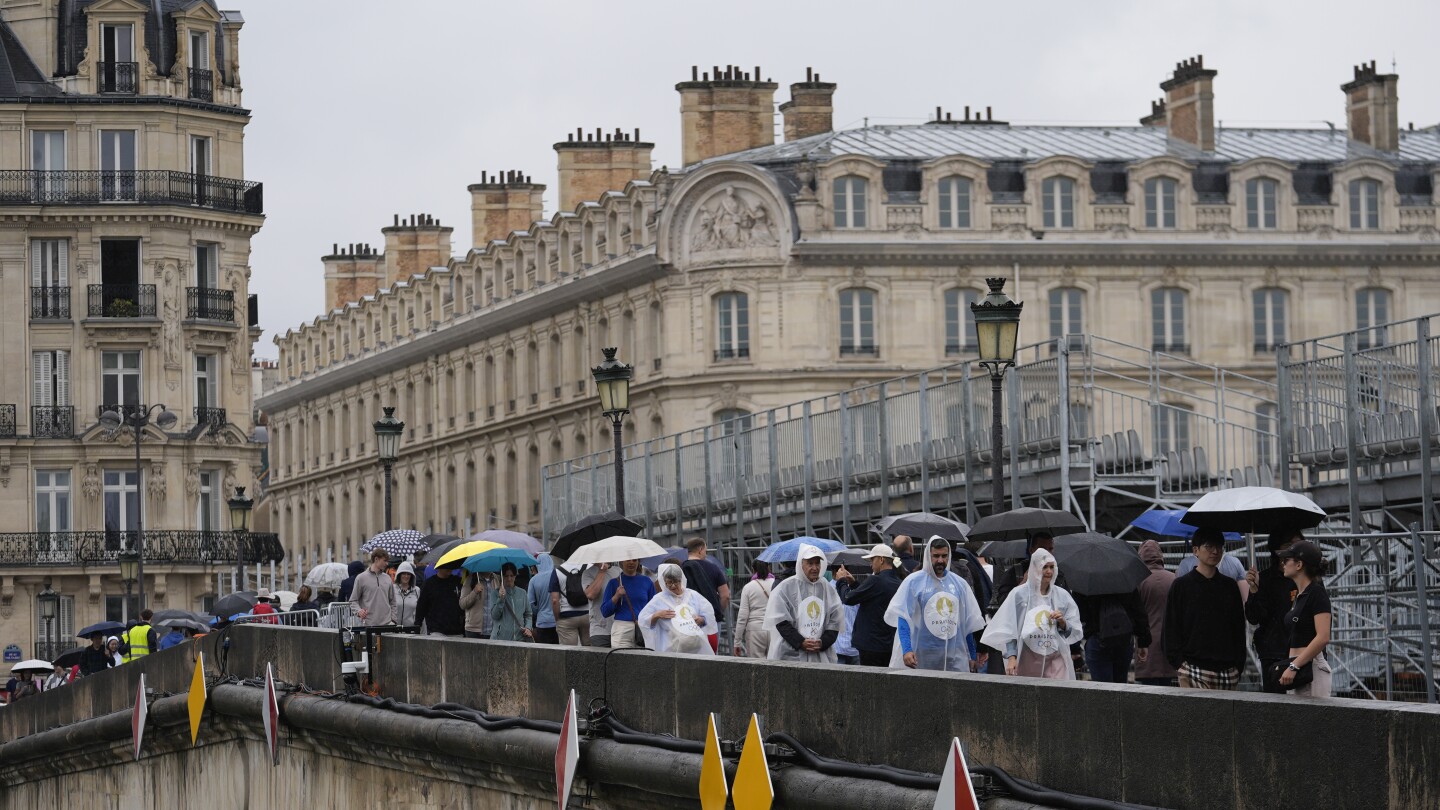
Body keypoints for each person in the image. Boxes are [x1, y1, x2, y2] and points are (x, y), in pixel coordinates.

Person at [884, 537, 986, 672]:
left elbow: (966, 623)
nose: (940, 560)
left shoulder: (959, 584)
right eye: (936, 556)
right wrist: (907, 650)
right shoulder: (913, 582)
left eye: (944, 556)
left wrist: (971, 655)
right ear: (928, 555)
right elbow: (903, 618)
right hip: (922, 654)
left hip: (953, 655)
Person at [1163, 528, 1248, 690]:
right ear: (1195, 550)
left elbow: (1238, 627)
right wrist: (1179, 664)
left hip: (1228, 669)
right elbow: (1171, 626)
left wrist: (1238, 665)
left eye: (1219, 546)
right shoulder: (1181, 586)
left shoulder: (1229, 586)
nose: (1215, 551)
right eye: (1209, 547)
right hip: (1192, 667)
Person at [982, 548, 1083, 679]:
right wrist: (1012, 657)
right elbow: (1009, 628)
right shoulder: (1018, 595)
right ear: (1034, 568)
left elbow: (1073, 629)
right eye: (1044, 567)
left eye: (1052, 567)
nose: (1049, 571)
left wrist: (1063, 623)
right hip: (1028, 658)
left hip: (1056, 658)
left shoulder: (1062, 596)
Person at [763, 543, 844, 663]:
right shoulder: (786, 587)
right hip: (791, 655)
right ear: (801, 564)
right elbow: (780, 621)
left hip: (820, 656)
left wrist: (823, 642)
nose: (815, 567)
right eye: (810, 563)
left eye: (817, 563)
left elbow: (835, 620)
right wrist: (800, 642)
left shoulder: (827, 588)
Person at [1245, 530, 1301, 693]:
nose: (1294, 550)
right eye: (1288, 545)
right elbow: (1254, 617)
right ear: (1276, 551)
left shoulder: (1307, 579)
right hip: (1273, 652)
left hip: (1302, 651)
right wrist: (1254, 589)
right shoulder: (1265, 579)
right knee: (1275, 705)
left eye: (1298, 544)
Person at [1276, 540, 1332, 697]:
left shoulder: (1317, 593)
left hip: (1310, 667)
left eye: (1287, 559)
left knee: (1313, 720)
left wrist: (1294, 666)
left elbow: (1323, 637)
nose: (1283, 563)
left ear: (1299, 565)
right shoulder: (1300, 595)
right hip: (1297, 667)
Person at [834, 544, 904, 667]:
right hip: (889, 644)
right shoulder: (899, 582)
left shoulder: (875, 580)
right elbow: (872, 595)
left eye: (872, 560)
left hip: (870, 645)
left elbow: (848, 598)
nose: (870, 564)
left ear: (881, 560)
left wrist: (841, 581)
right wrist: (854, 583)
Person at [1074, 587, 1151, 684]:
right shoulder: (1125, 580)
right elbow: (1138, 612)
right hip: (1123, 637)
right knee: (1120, 686)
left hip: (1097, 638)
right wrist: (1143, 641)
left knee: (1101, 688)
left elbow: (1079, 613)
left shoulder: (1086, 582)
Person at [638, 563, 718, 654]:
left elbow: (708, 613)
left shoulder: (692, 595)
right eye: (669, 582)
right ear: (664, 582)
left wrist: (702, 620)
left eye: (675, 581)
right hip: (671, 647)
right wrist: (656, 615)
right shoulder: (659, 599)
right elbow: (643, 620)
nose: (672, 586)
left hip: (696, 647)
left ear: (681, 580)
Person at [1134, 539, 1180, 687]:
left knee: (1149, 695)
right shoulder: (1174, 579)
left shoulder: (1138, 580)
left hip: (1146, 644)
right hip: (1170, 642)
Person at [681, 538, 731, 653]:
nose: (705, 554)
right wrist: (719, 610)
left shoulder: (682, 568)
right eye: (705, 551)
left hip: (688, 619)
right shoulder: (714, 568)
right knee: (711, 653)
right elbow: (725, 595)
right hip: (710, 618)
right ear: (700, 549)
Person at [600, 558, 658, 648]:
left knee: (643, 661)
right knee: (621, 660)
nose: (631, 562)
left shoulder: (647, 582)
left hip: (643, 627)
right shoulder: (613, 583)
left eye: (634, 560)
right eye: (628, 560)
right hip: (622, 629)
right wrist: (616, 596)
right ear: (621, 562)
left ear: (638, 562)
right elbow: (605, 612)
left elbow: (654, 607)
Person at [733, 559, 774, 658]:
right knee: (775, 664)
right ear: (768, 568)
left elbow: (742, 617)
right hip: (774, 628)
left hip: (755, 630)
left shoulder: (748, 587)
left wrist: (737, 641)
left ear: (753, 570)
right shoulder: (776, 584)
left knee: (757, 667)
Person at [549, 559, 592, 646]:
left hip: (567, 616)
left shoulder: (557, 571)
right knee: (590, 650)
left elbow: (554, 600)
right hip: (588, 614)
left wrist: (557, 618)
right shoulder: (589, 567)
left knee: (568, 652)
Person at [487, 563, 533, 642]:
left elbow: (528, 614)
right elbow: (494, 616)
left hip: (519, 639)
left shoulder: (522, 593)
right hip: (500, 639)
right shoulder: (495, 593)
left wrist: (528, 627)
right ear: (502, 577)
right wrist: (500, 599)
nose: (509, 579)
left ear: (515, 576)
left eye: (511, 576)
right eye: (506, 576)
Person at [415, 565, 465, 637]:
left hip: (457, 631)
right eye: (446, 565)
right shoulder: (429, 584)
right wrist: (418, 624)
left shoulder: (458, 582)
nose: (449, 567)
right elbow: (421, 606)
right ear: (439, 566)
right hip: (436, 631)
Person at [353, 550, 396, 627]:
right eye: (385, 560)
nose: (387, 563)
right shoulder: (361, 578)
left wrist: (393, 620)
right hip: (369, 626)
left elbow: (393, 601)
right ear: (376, 559)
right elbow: (353, 600)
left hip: (388, 625)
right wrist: (359, 611)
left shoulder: (387, 578)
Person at [583, 562, 620, 648]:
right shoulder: (588, 573)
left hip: (619, 627)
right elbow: (591, 594)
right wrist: (602, 572)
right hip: (599, 629)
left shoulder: (618, 571)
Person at [527, 555, 559, 644]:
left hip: (542, 621)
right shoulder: (557, 576)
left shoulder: (533, 580)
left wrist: (538, 611)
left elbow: (530, 603)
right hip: (558, 621)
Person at [459, 571, 494, 639]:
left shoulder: (496, 579)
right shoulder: (470, 579)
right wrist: (475, 591)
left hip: (492, 630)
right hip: (474, 630)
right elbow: (462, 604)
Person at [391, 561, 422, 628]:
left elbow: (420, 613)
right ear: (399, 574)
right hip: (394, 632)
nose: (406, 576)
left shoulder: (417, 590)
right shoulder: (392, 589)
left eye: (408, 574)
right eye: (403, 574)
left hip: (411, 632)